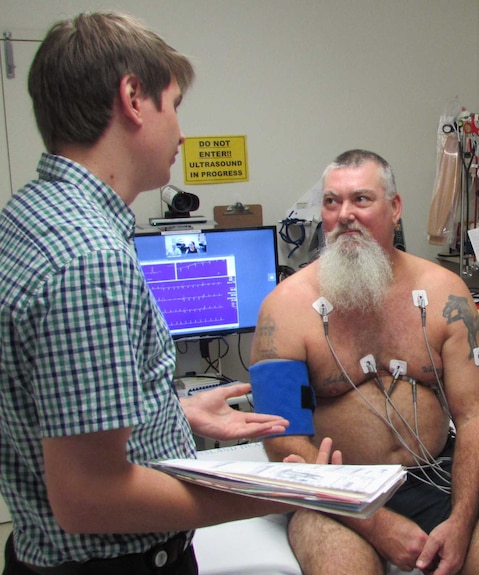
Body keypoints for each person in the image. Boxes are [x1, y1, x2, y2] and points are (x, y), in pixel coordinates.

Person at [0, 12, 340, 574]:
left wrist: (171, 412)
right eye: (175, 105)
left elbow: (57, 411)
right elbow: (90, 497)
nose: (182, 132)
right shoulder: (91, 259)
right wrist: (284, 491)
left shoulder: (32, 213)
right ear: (133, 98)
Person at [251, 149, 479, 575]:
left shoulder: (445, 294)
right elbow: (281, 440)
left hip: (437, 476)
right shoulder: (284, 309)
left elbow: (474, 415)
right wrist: (375, 523)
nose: (344, 214)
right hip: (333, 492)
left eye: (361, 199)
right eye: (331, 201)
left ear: (395, 209)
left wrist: (462, 518)